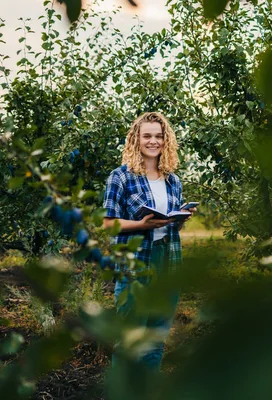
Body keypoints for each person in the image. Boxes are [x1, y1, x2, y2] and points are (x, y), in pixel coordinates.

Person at [102, 111, 195, 370]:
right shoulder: (120, 177)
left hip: (168, 264)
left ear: (166, 141)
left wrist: (181, 218)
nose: (153, 141)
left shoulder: (172, 180)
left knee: (156, 342)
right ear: (136, 140)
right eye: (147, 136)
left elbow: (169, 225)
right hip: (135, 265)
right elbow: (108, 225)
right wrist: (141, 225)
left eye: (158, 136)